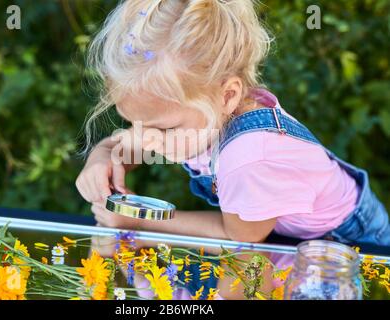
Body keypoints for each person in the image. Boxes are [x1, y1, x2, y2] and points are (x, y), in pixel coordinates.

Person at [76, 0, 390, 246]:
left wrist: (140, 224)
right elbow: (126, 143)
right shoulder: (198, 113)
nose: (144, 139)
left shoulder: (249, 157)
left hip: (352, 244)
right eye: (133, 122)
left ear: (228, 96)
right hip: (283, 238)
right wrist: (103, 158)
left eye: (162, 129)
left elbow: (241, 236)